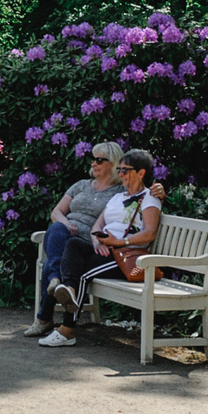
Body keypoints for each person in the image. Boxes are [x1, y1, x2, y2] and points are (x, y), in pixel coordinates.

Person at [41, 148, 164, 349]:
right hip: (106, 248)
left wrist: (119, 243)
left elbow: (149, 233)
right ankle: (69, 290)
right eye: (120, 169)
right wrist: (97, 241)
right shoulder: (117, 198)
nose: (121, 174)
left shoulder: (149, 197)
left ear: (141, 173)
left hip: (127, 257)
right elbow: (98, 226)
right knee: (73, 244)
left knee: (80, 272)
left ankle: (67, 330)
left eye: (125, 170)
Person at [26, 142, 123, 339]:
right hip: (63, 235)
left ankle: (44, 317)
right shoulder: (81, 185)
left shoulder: (119, 192)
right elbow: (57, 212)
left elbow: (142, 193)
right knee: (56, 228)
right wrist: (65, 223)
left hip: (87, 244)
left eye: (99, 160)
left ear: (113, 163)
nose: (93, 163)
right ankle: (56, 280)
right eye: (93, 159)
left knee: (50, 264)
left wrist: (160, 193)